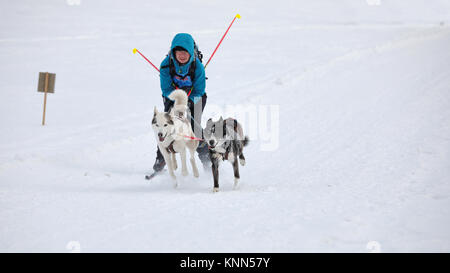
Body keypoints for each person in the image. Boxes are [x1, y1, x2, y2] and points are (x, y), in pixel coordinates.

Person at [153, 33, 210, 172]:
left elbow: (199, 90)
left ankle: (207, 159)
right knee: (167, 125)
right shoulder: (166, 65)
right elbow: (166, 89)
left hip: (195, 98)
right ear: (174, 52)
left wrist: (188, 103)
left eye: (185, 52)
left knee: (194, 128)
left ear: (191, 52)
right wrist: (178, 101)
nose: (182, 55)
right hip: (173, 97)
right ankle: (161, 160)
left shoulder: (198, 67)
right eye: (179, 52)